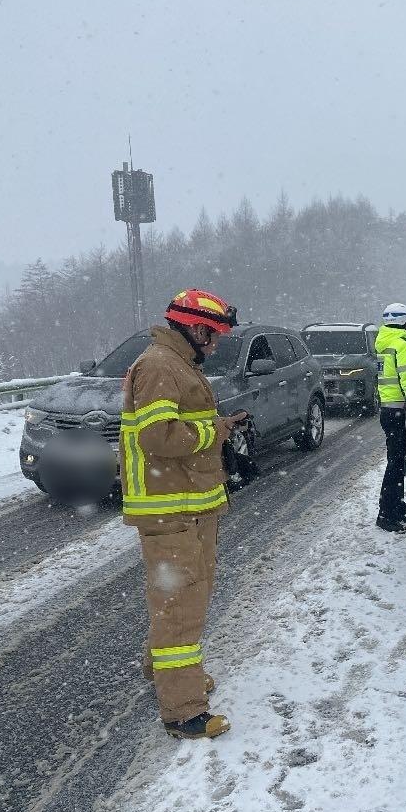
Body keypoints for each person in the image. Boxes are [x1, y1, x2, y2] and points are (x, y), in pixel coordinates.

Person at [122, 289, 245, 739]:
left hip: (184, 506)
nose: (214, 347)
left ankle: (168, 675)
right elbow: (158, 437)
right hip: (171, 510)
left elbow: (175, 429)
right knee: (180, 608)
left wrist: (217, 428)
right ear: (194, 329)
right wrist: (211, 431)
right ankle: (184, 711)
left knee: (182, 599)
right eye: (212, 337)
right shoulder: (161, 366)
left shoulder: (174, 364)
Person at [375, 302, 406, 532]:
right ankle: (386, 513)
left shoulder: (385, 342)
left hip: (388, 409)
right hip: (400, 410)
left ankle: (397, 506)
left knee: (397, 461)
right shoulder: (403, 344)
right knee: (396, 463)